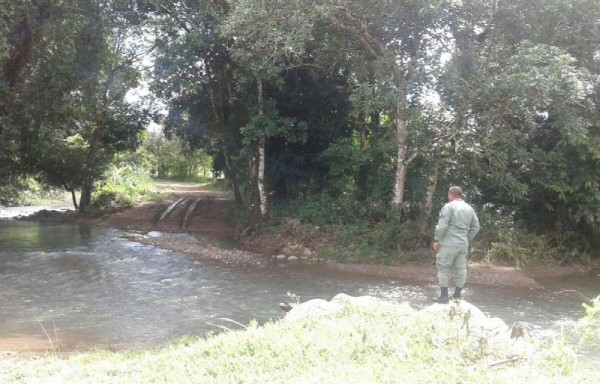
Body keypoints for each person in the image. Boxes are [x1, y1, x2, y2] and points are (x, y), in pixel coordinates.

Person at [431, 186, 480, 303]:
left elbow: (442, 226)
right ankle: (457, 296)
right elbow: (476, 227)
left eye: (448, 195)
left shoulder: (449, 207)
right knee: (460, 269)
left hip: (448, 243)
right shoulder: (469, 208)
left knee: (443, 267)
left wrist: (437, 239)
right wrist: (466, 238)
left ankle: (443, 297)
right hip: (462, 244)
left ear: (451, 194)